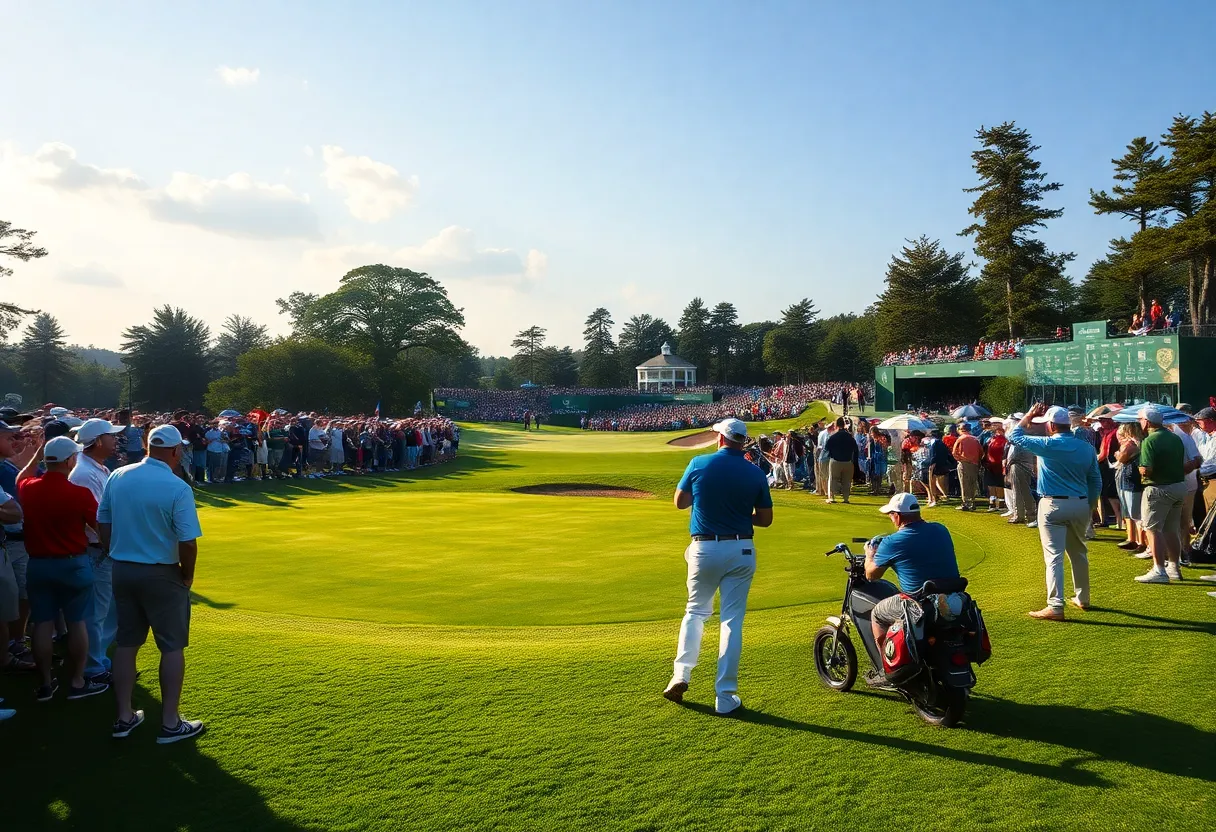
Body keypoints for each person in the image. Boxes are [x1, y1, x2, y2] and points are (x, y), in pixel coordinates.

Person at [100, 424, 205, 743]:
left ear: (147, 445)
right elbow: (187, 541)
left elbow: (103, 521)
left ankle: (124, 717)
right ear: (175, 451)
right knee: (171, 646)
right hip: (161, 572)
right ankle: (170, 723)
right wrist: (187, 574)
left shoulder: (118, 475)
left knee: (127, 642)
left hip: (123, 569)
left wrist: (112, 552)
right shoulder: (177, 486)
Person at [663, 418, 773, 715]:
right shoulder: (755, 472)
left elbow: (680, 502)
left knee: (695, 612)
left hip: (704, 547)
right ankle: (725, 697)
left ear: (721, 439)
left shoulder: (699, 463)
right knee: (731, 622)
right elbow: (764, 519)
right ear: (742, 441)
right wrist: (738, 514)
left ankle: (680, 675)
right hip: (741, 548)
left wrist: (710, 504)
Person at [17, 435, 108, 701]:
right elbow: (99, 527)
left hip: (38, 564)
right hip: (72, 564)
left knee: (42, 624)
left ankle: (45, 682)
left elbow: (21, 477)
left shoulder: (29, 488)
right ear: (70, 460)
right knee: (77, 622)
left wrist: (37, 455)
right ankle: (78, 681)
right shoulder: (79, 493)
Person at [1009, 404, 1101, 620]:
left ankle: (1056, 606)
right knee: (1079, 553)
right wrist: (1088, 506)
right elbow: (1095, 481)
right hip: (1080, 503)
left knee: (1054, 557)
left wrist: (1029, 416)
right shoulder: (1086, 448)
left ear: (1051, 425)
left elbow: (1015, 435)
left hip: (1052, 505)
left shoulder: (1047, 444)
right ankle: (1083, 598)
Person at [864, 493, 960, 674]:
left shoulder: (892, 542)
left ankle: (887, 669)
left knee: (877, 614)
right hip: (952, 594)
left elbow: (871, 575)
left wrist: (870, 555)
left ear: (898, 516)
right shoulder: (941, 529)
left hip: (918, 601)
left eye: (891, 515)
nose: (891, 519)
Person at [70, 419, 125, 685]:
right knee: (97, 610)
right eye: (111, 437)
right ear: (98, 441)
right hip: (98, 550)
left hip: (104, 548)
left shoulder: (95, 468)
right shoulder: (84, 473)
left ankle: (100, 659)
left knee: (107, 608)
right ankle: (94, 666)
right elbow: (95, 519)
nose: (116, 440)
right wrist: (109, 546)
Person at [1136, 406, 1187, 584]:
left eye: (1140, 420)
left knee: (1152, 529)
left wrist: (1141, 469)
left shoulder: (1150, 440)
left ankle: (1159, 569)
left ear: (1147, 422)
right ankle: (1174, 567)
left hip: (1159, 489)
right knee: (1171, 530)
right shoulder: (1175, 438)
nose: (1139, 423)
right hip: (1179, 486)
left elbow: (1147, 470)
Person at [1114, 422, 1147, 556]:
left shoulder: (1131, 444)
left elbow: (1122, 457)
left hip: (1132, 482)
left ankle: (1142, 543)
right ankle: (1138, 541)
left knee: (1136, 514)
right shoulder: (1137, 443)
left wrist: (1118, 453)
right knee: (1133, 513)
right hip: (1129, 480)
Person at [824, 417, 857, 504]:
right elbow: (855, 449)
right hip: (848, 461)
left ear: (836, 425)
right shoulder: (850, 437)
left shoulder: (833, 437)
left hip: (835, 460)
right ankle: (846, 499)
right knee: (847, 481)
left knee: (833, 479)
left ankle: (832, 498)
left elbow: (826, 448)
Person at [951, 422, 982, 511]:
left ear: (960, 429)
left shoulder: (961, 439)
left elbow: (954, 452)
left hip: (964, 463)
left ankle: (966, 503)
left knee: (964, 484)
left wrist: (960, 460)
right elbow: (981, 452)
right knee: (973, 484)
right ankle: (972, 502)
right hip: (975, 464)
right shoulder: (975, 439)